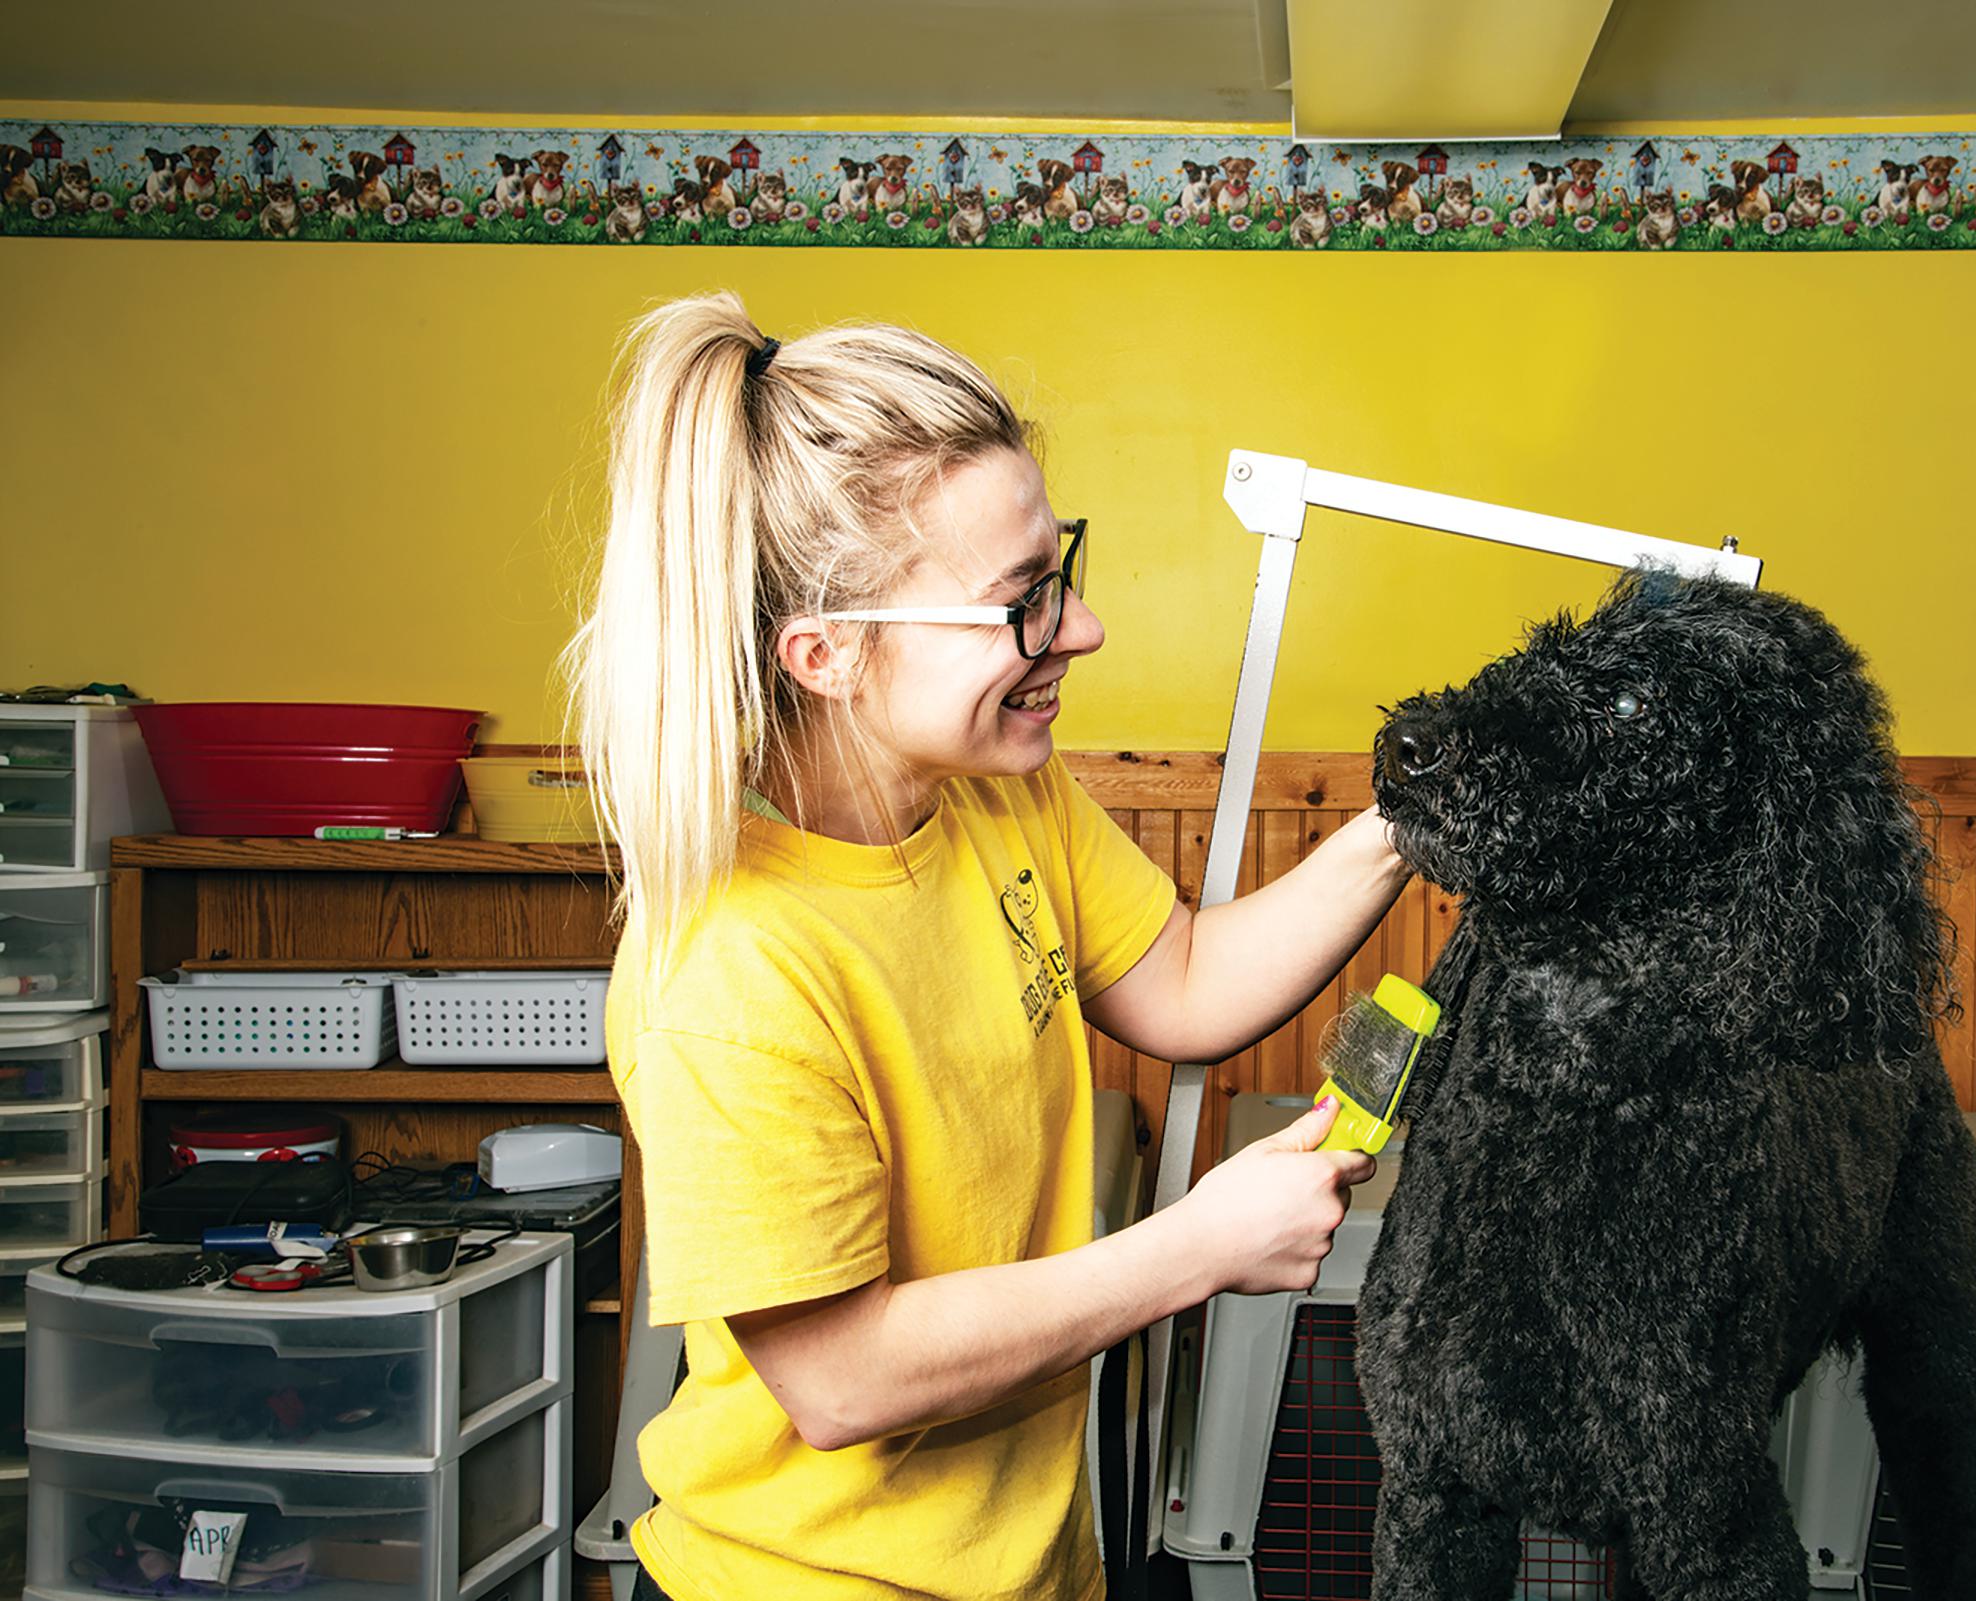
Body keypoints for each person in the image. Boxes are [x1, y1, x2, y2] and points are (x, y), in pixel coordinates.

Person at [568, 290, 1412, 1601]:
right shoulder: (727, 971)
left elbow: (1183, 981)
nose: (1079, 630)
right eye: (1021, 602)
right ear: (828, 652)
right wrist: (1198, 1244)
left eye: (1058, 571)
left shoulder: (999, 793)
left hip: (1034, 1566)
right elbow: (842, 1376)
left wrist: (1407, 824)